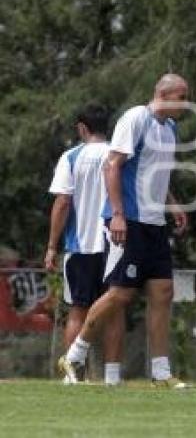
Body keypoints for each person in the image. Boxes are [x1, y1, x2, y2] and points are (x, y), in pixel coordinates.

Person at [58, 74, 191, 389]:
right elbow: (112, 166)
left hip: (155, 224)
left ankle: (161, 372)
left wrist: (173, 205)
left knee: (162, 292)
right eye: (182, 95)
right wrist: (117, 214)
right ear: (164, 93)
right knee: (120, 293)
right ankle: (74, 355)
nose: (186, 102)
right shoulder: (135, 119)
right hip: (128, 221)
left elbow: (158, 174)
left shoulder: (170, 129)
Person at [46, 104, 124, 385]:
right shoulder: (119, 152)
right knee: (114, 308)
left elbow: (63, 201)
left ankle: (73, 374)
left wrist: (52, 246)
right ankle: (113, 377)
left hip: (80, 245)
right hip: (114, 242)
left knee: (78, 310)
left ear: (82, 128)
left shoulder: (71, 156)